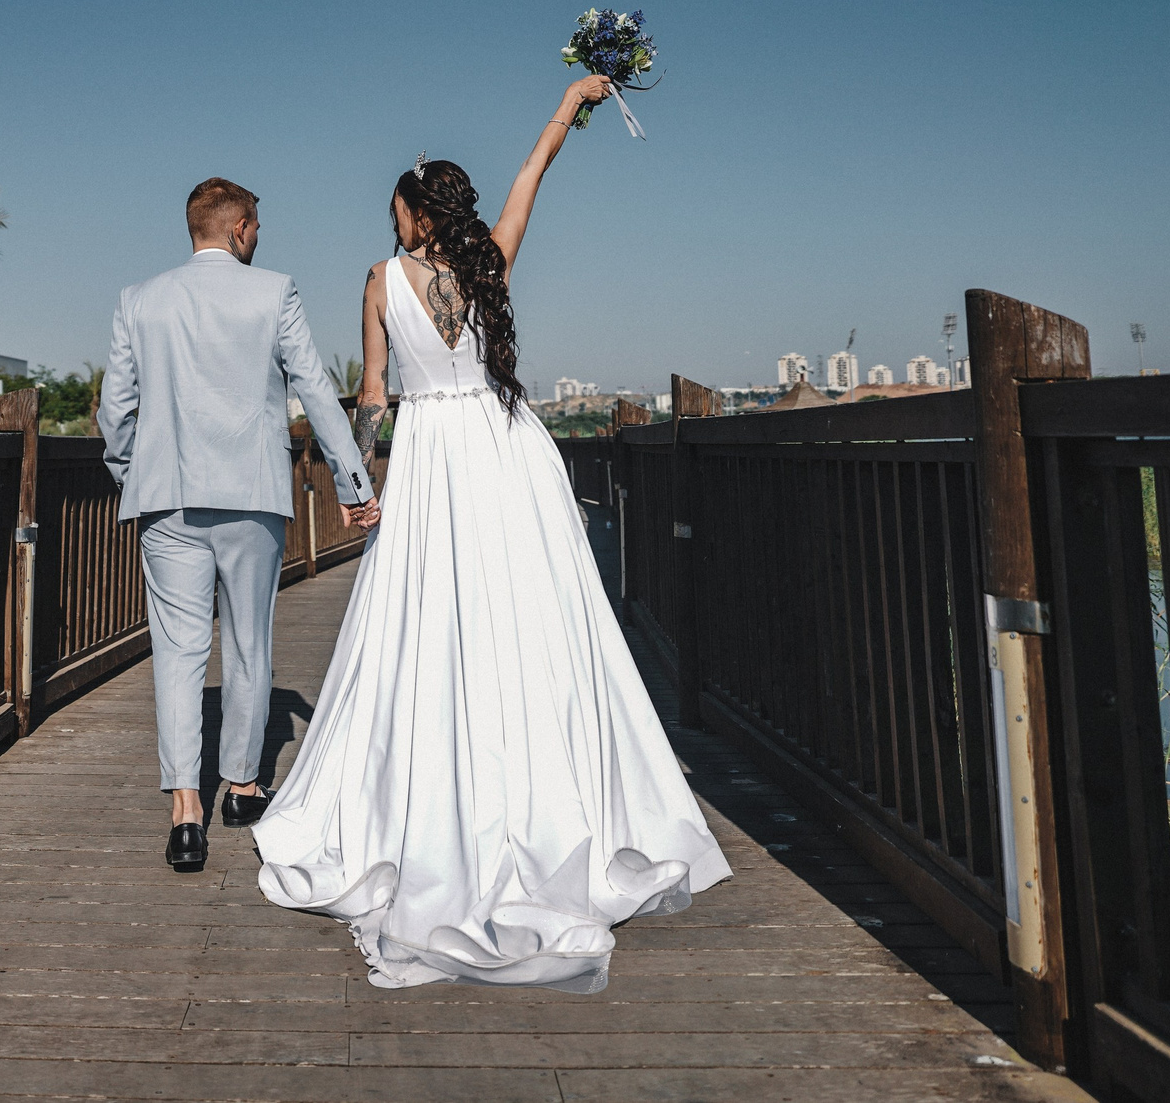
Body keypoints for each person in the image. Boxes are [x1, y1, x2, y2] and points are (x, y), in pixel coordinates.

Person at [252, 73, 732, 991]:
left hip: (432, 459)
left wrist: (357, 479)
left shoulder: (380, 279)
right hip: (508, 452)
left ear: (413, 213)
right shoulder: (491, 261)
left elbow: (373, 395)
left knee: (427, 620)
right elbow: (532, 169)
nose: (393, 221)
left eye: (397, 209)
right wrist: (571, 100)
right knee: (529, 617)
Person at [97, 177, 384, 873]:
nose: (258, 237)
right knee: (250, 644)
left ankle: (185, 813)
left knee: (178, 652)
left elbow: (114, 410)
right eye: (256, 226)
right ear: (238, 228)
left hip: (167, 500)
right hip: (252, 497)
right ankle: (244, 789)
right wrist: (353, 482)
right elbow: (315, 387)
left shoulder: (139, 299)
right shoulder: (274, 292)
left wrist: (133, 473)